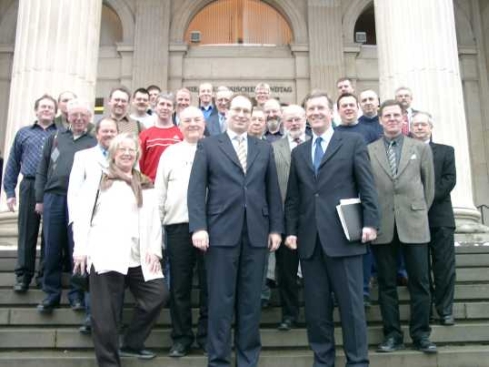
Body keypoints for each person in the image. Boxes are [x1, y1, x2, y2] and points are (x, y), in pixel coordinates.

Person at [284, 90, 379, 367]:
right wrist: (291, 230)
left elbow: (367, 185)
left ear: (331, 112)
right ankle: (323, 360)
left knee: (351, 307)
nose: (315, 113)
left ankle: (358, 361)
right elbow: (294, 197)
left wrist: (371, 222)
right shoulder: (300, 152)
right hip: (310, 241)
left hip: (345, 237)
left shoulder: (352, 142)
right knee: (316, 309)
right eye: (310, 109)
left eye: (320, 108)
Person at [188, 94, 283, 367]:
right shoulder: (208, 145)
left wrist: (276, 228)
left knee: (251, 301)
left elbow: (272, 191)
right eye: (237, 110)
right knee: (220, 300)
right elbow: (196, 191)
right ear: (227, 113)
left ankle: (247, 360)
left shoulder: (263, 148)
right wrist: (198, 227)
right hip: (219, 233)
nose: (241, 115)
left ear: (253, 115)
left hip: (256, 233)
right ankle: (218, 360)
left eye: (246, 110)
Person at [72, 133, 168, 367]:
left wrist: (155, 250)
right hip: (106, 254)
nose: (127, 153)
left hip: (138, 256)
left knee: (157, 295)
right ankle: (108, 363)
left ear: (137, 154)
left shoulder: (145, 182)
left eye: (131, 149)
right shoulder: (99, 179)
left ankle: (132, 342)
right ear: (113, 153)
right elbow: (82, 215)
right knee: (105, 316)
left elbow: (154, 221)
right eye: (122, 149)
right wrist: (81, 248)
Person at [368, 100, 436, 354]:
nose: (393, 119)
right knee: (386, 285)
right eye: (387, 115)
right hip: (383, 225)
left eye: (397, 115)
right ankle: (392, 335)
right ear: (380, 120)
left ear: (403, 118)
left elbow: (428, 188)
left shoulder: (420, 148)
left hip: (415, 223)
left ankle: (421, 335)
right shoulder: (369, 150)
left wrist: (416, 211)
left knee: (420, 282)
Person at [154, 106, 208, 357]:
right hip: (177, 226)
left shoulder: (215, 149)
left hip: (212, 228)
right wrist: (159, 227)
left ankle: (207, 335)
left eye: (197, 119)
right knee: (179, 287)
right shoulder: (170, 153)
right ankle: (182, 337)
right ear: (179, 124)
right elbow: (160, 192)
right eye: (187, 120)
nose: (193, 124)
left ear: (205, 122)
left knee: (211, 286)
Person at [35, 98, 97, 313]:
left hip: (81, 201)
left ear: (89, 119)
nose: (79, 119)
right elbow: (42, 169)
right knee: (52, 247)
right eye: (74, 115)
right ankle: (50, 294)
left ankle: (76, 295)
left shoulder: (94, 141)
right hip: (54, 198)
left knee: (75, 247)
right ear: (67, 116)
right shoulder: (54, 138)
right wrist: (39, 199)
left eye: (83, 115)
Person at [68, 117, 119, 334]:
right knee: (91, 269)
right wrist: (75, 220)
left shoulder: (125, 155)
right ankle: (91, 316)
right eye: (105, 131)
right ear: (97, 134)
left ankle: (112, 319)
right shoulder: (83, 156)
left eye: (112, 131)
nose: (108, 135)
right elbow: (74, 191)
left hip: (116, 223)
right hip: (89, 222)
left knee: (112, 273)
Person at [4, 94, 58, 292]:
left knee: (50, 233)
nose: (46, 110)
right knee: (27, 231)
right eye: (43, 107)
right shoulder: (23, 133)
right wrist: (9, 191)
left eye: (50, 107)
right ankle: (23, 276)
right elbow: (12, 163)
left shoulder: (60, 134)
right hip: (28, 184)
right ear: (36, 110)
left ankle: (44, 276)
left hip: (52, 187)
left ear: (55, 112)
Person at [411, 112, 457, 326]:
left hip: (440, 216)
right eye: (416, 125)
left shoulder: (446, 151)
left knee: (444, 266)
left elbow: (450, 180)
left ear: (430, 127)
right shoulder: (406, 151)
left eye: (423, 124)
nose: (420, 128)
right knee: (419, 269)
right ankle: (425, 309)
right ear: (410, 128)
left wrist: (426, 198)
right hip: (413, 218)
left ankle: (445, 309)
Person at [272, 104, 309, 331]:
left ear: (304, 119)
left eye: (298, 119)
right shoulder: (272, 148)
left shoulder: (317, 145)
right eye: (290, 120)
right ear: (283, 122)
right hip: (286, 218)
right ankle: (289, 314)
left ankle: (317, 312)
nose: (294, 124)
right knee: (286, 272)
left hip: (315, 217)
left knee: (316, 270)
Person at [139, 92, 183, 182]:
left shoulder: (181, 134)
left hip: (174, 184)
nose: (165, 108)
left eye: (169, 105)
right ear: (155, 107)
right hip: (150, 185)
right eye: (162, 104)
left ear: (174, 109)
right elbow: (139, 164)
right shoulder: (144, 135)